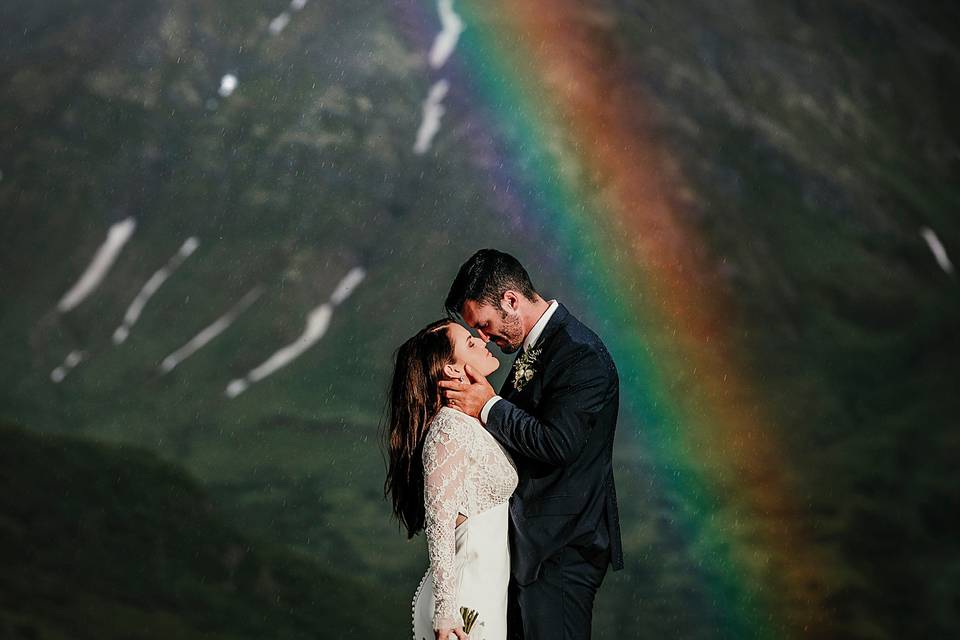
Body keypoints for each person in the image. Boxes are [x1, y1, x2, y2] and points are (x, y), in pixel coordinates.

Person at [439, 249, 624, 640]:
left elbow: (558, 443)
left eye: (485, 326)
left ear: (511, 300)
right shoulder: (538, 347)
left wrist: (488, 405)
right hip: (533, 548)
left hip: (563, 549)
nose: (485, 338)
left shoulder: (582, 355)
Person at [385, 319, 518, 640]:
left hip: (483, 591)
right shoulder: (449, 429)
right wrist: (446, 609)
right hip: (464, 602)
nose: (482, 342)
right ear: (452, 372)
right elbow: (440, 522)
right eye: (470, 344)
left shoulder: (470, 422)